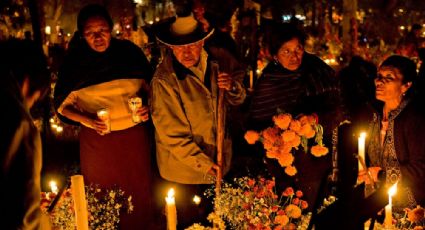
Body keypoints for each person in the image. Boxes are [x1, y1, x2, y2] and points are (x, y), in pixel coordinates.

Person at [53, 4, 154, 228]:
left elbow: (154, 88)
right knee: (103, 192)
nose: (98, 37)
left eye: (102, 30)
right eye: (90, 33)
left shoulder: (130, 53)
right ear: (82, 35)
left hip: (133, 139)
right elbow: (61, 105)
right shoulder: (75, 64)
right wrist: (88, 120)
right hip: (98, 143)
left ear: (111, 29)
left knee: (137, 188)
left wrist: (148, 106)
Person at [151, 6, 246, 228]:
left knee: (218, 223)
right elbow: (172, 136)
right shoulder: (164, 80)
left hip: (220, 163)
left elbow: (238, 99)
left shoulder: (218, 62)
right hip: (186, 174)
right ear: (171, 48)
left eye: (192, 45)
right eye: (180, 47)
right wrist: (206, 165)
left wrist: (231, 86)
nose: (187, 53)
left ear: (202, 42)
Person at [247, 23, 343, 212]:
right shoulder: (269, 81)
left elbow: (340, 107)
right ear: (275, 55)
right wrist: (271, 136)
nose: (295, 57)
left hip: (320, 159)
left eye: (298, 49)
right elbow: (256, 122)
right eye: (286, 51)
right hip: (283, 166)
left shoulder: (316, 69)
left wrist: (315, 118)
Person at [364, 55, 425, 210]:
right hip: (375, 202)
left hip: (409, 206)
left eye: (389, 77)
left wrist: (383, 175)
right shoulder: (373, 114)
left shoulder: (414, 119)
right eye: (379, 76)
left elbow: (421, 168)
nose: (379, 82)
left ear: (406, 85)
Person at [0, 39, 50, 229]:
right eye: (34, 99)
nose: (29, 107)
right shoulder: (18, 122)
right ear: (27, 82)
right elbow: (24, 215)